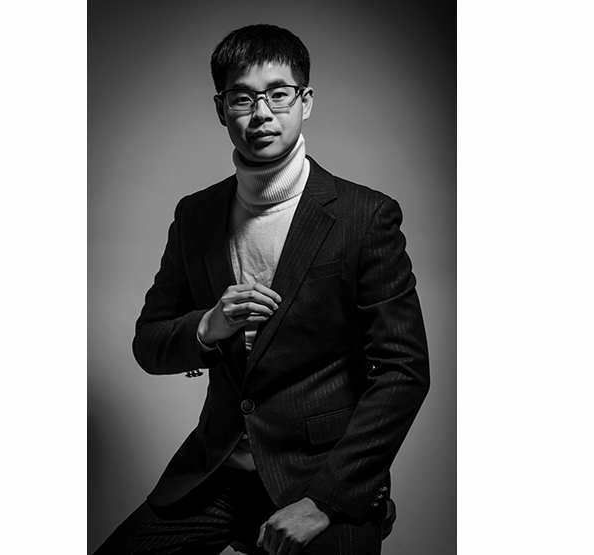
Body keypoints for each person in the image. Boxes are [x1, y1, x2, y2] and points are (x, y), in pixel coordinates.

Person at [95, 23, 429, 555]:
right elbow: (149, 343)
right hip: (217, 472)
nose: (261, 114)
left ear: (305, 102)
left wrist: (326, 500)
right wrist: (208, 326)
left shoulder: (365, 216)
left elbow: (403, 370)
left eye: (278, 94)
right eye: (242, 98)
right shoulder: (196, 215)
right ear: (220, 108)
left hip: (323, 478)